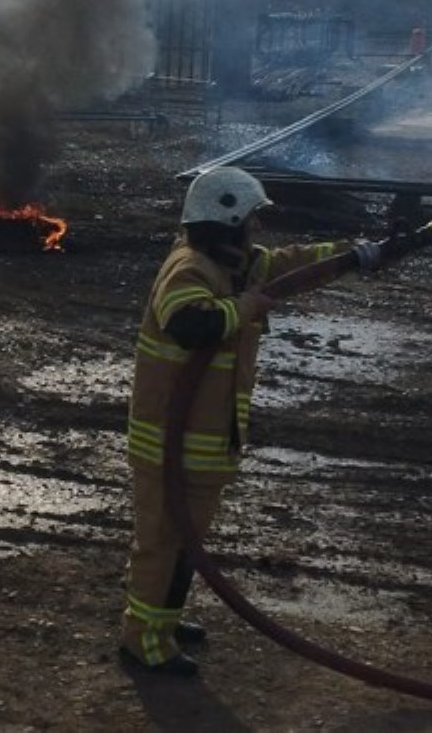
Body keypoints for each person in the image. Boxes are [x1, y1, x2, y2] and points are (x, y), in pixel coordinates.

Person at [118, 166, 382, 676]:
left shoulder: (238, 265)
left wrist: (357, 253)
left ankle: (162, 623)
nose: (257, 231)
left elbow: (293, 265)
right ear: (226, 221)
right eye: (251, 220)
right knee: (162, 545)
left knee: (185, 545)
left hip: (207, 442)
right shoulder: (189, 266)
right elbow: (190, 322)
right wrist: (242, 308)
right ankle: (142, 640)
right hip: (168, 447)